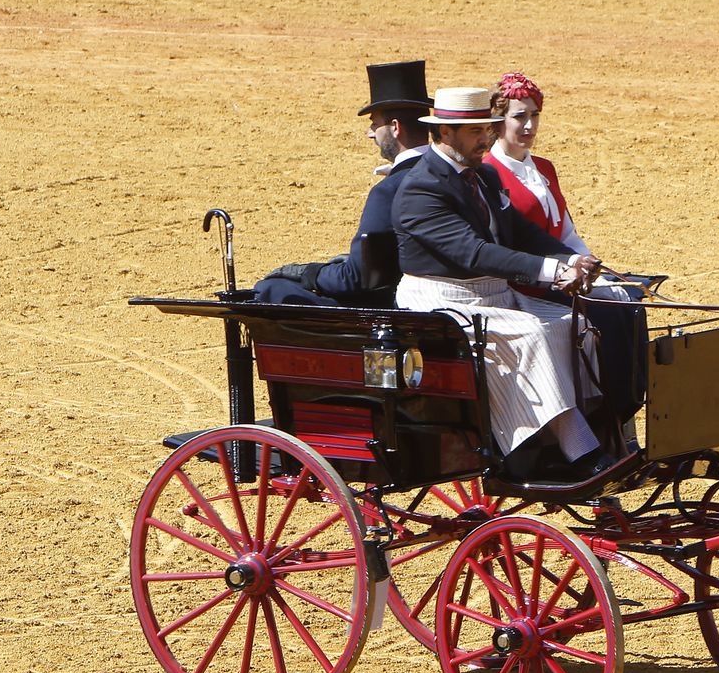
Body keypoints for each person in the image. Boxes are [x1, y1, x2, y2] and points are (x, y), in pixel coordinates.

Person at [391, 85, 611, 478]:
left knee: (574, 324)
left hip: (492, 294)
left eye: (489, 128)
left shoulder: (485, 176)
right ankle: (568, 451)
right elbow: (474, 252)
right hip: (443, 303)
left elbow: (520, 232)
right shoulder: (421, 189)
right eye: (477, 131)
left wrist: (571, 257)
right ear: (445, 134)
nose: (487, 138)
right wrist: (552, 272)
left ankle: (575, 434)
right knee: (532, 334)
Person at [482, 71, 647, 424]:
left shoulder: (544, 168)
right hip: (529, 284)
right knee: (604, 314)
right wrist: (563, 273)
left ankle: (630, 400)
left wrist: (589, 267)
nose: (529, 125)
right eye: (519, 116)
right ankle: (609, 412)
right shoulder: (488, 171)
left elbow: (566, 231)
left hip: (567, 273)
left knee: (630, 302)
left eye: (534, 115)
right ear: (499, 121)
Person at [254, 60, 433, 305]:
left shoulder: (390, 190)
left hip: (396, 309)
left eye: (374, 124)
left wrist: (310, 273)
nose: (370, 133)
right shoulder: (458, 172)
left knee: (271, 291)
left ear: (395, 127)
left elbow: (357, 279)